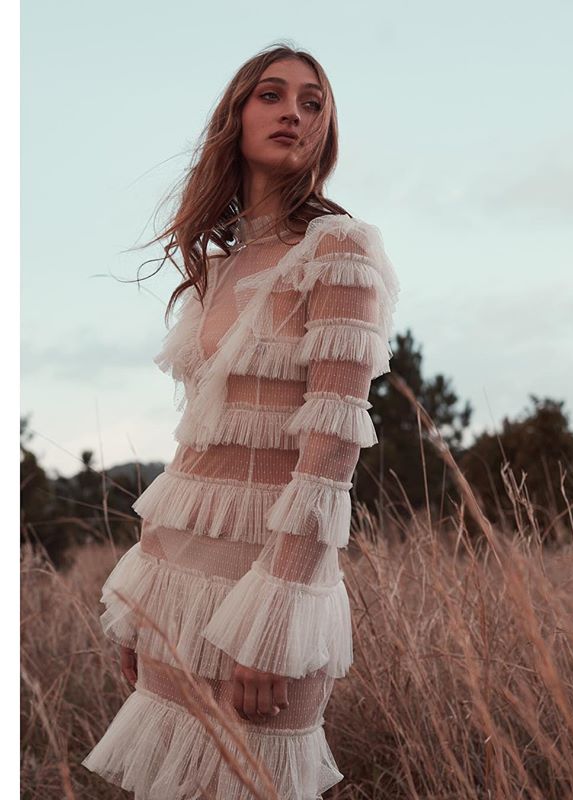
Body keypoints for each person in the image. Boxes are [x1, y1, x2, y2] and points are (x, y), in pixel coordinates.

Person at [81, 42, 401, 799]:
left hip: (268, 592)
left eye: (313, 103)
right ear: (236, 115)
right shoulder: (217, 268)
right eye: (273, 94)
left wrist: (276, 618)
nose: (295, 111)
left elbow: (330, 453)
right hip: (174, 582)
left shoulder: (339, 251)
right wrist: (139, 606)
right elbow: (194, 453)